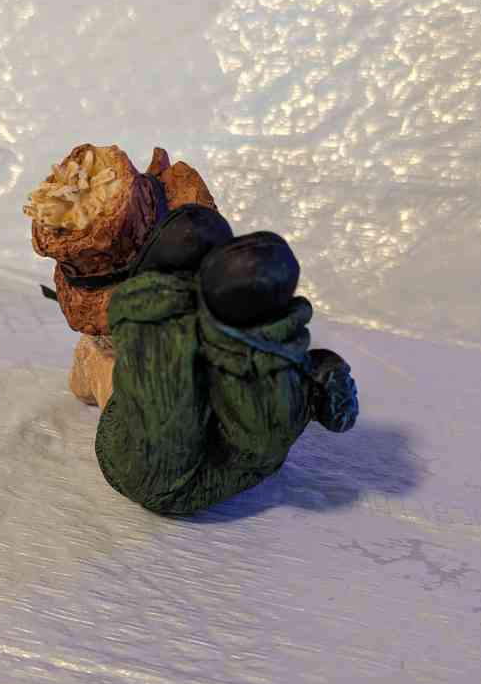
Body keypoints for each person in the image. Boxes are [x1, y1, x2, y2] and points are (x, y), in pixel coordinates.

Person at [92, 204, 359, 516]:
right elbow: (329, 420)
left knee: (166, 359)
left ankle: (159, 298)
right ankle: (240, 338)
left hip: (151, 459)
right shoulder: (305, 383)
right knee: (255, 411)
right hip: (176, 472)